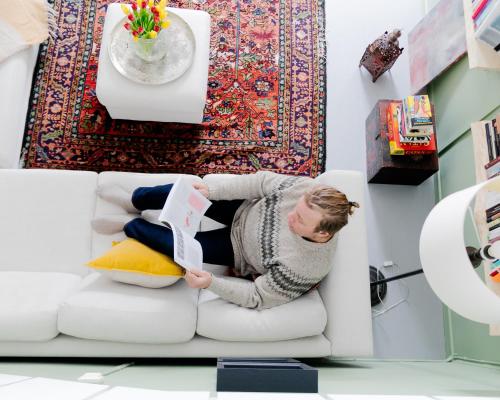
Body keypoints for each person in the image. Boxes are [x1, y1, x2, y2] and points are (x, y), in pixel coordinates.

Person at [95, 171, 359, 310]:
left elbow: (258, 296)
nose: (290, 217)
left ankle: (130, 225)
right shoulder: (306, 189)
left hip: (237, 251)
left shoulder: (305, 267)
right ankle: (133, 200)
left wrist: (212, 283)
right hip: (242, 209)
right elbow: (260, 183)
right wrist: (213, 191)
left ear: (322, 233)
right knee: (183, 191)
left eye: (300, 220)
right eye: (295, 209)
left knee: (175, 247)